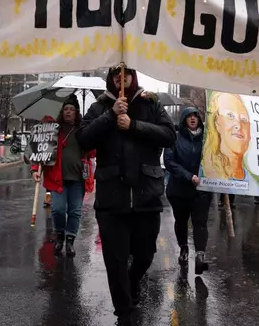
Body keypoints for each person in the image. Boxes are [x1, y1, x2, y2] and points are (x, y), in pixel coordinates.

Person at [76, 65, 175, 325]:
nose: (121, 78)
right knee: (115, 259)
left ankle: (130, 285)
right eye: (116, 74)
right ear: (110, 79)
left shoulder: (151, 103)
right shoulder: (100, 107)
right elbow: (84, 139)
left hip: (146, 197)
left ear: (134, 76)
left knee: (145, 255)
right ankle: (125, 313)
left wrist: (134, 125)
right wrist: (110, 115)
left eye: (126, 73)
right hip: (112, 199)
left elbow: (169, 136)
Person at [31, 96, 95, 257]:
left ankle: (70, 241)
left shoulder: (83, 131)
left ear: (77, 113)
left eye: (72, 109)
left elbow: (93, 152)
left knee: (75, 212)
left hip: (78, 179)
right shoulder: (53, 130)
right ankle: (60, 235)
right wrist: (34, 169)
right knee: (58, 210)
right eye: (66, 109)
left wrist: (93, 137)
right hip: (57, 178)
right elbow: (40, 150)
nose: (68, 112)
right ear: (62, 111)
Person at [164, 107, 212, 275]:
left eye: (195, 116)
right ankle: (183, 248)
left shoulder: (208, 140)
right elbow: (169, 162)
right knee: (181, 221)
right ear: (184, 119)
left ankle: (200, 256)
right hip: (179, 190)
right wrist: (188, 176)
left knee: (200, 222)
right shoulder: (175, 139)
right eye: (189, 116)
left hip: (201, 191)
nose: (192, 119)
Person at [201, 92, 259, 203]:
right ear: (216, 122)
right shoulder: (206, 171)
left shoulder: (254, 184)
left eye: (244, 120)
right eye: (230, 116)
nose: (238, 125)